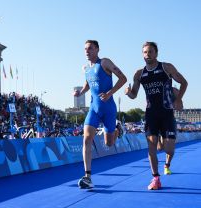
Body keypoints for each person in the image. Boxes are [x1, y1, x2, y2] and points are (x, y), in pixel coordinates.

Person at [125, 42, 188, 190]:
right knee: (151, 147)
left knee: (168, 150)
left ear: (156, 53)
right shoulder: (139, 74)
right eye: (145, 52)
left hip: (167, 113)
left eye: (150, 52)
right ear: (142, 54)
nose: (148, 55)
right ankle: (156, 179)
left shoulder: (166, 67)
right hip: (151, 114)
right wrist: (129, 93)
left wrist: (178, 99)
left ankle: (166, 160)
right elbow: (134, 95)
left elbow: (184, 82)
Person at [74, 40, 127, 189]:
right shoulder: (85, 68)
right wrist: (80, 92)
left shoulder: (105, 62)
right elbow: (88, 84)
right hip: (94, 109)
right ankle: (88, 176)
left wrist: (110, 93)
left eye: (90, 48)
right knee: (86, 139)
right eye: (85, 49)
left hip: (108, 108)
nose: (87, 51)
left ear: (97, 49)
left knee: (109, 144)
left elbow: (123, 78)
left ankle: (117, 129)